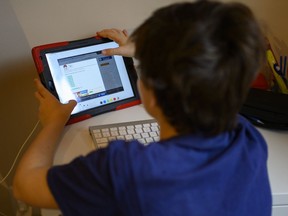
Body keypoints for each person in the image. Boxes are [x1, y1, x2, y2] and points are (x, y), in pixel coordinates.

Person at [13, 1, 272, 215]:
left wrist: (55, 121)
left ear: (152, 94)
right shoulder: (248, 140)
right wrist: (148, 52)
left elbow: (25, 186)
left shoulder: (124, 171)